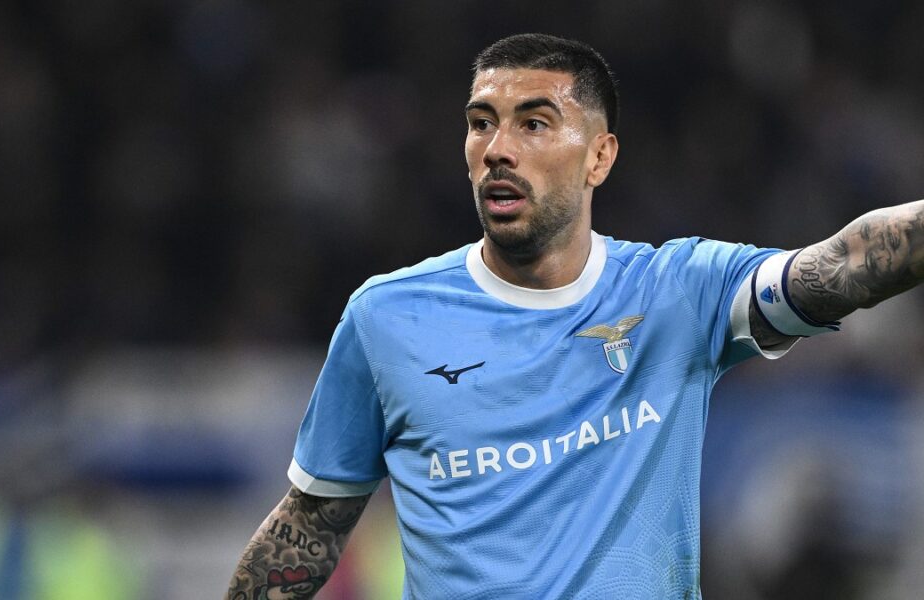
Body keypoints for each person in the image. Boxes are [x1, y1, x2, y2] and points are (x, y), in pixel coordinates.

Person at [224, 33, 924, 599]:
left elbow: (842, 264)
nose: (498, 149)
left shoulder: (677, 290)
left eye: (534, 123)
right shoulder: (385, 318)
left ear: (599, 157)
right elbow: (308, 529)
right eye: (481, 124)